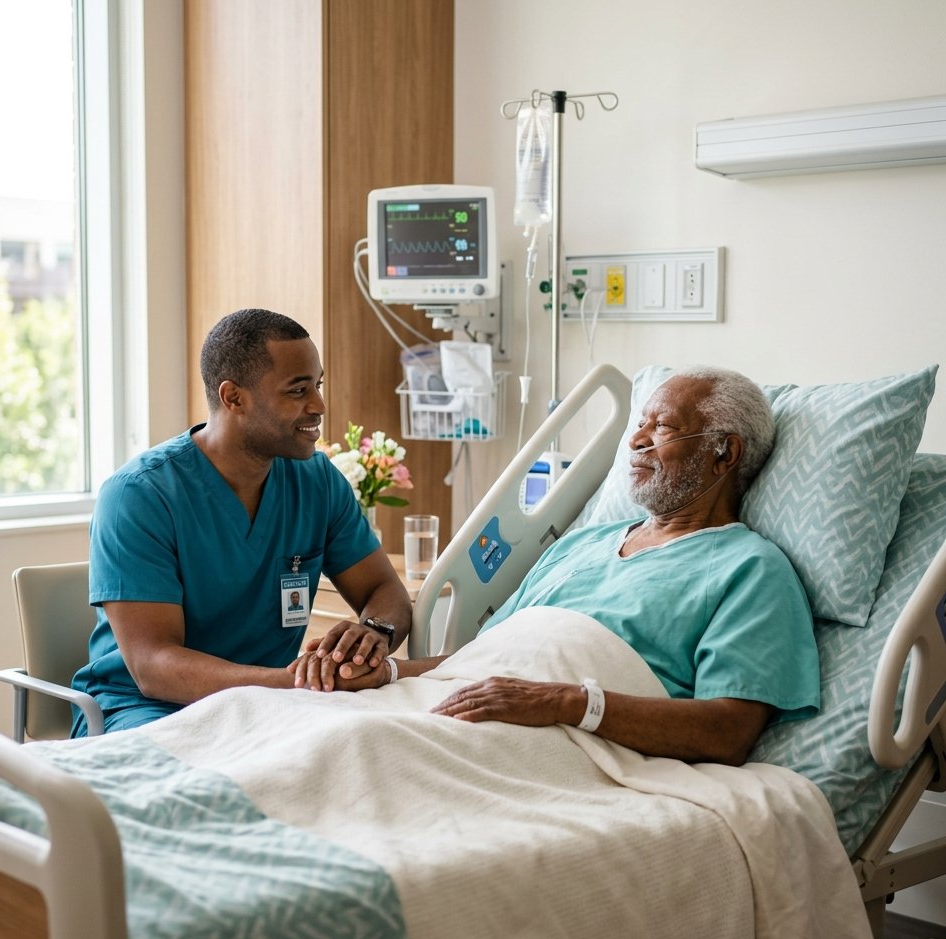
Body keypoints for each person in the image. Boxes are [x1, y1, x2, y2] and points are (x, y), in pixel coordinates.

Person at [293, 366, 820, 766]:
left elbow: (727, 732)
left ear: (724, 455)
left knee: (364, 758)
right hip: (469, 711)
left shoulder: (751, 570)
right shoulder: (583, 543)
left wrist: (568, 704)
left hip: (561, 746)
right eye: (639, 424)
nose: (636, 440)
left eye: (662, 429)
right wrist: (384, 673)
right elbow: (483, 664)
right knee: (306, 732)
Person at [71, 307, 412, 735]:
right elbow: (153, 667)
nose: (319, 405)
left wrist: (373, 636)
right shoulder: (140, 495)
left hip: (270, 705)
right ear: (233, 398)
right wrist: (300, 682)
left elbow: (384, 591)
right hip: (146, 710)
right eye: (297, 390)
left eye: (318, 385)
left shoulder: (317, 481)